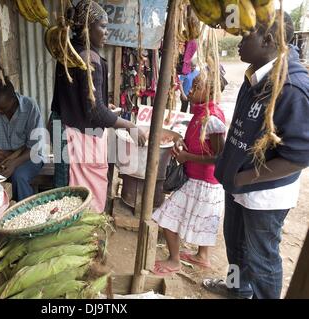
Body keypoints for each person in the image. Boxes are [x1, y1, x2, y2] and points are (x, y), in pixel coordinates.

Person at [203, 12, 309, 299]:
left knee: (261, 259)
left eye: (247, 35)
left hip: (263, 195)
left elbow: (299, 156)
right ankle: (237, 289)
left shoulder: (291, 87)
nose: (240, 40)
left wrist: (245, 176)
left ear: (270, 40)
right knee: (235, 248)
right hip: (239, 185)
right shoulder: (255, 75)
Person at [49, 0, 148, 212]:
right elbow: (94, 111)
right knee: (76, 194)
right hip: (74, 135)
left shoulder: (70, 52)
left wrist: (103, 103)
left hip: (62, 125)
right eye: (102, 26)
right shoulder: (90, 60)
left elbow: (80, 97)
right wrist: (130, 126)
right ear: (86, 28)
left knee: (63, 187)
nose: (106, 32)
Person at [151, 70, 227, 275]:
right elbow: (201, 144)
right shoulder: (200, 113)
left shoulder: (212, 119)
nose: (190, 91)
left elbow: (220, 157)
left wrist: (187, 157)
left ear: (210, 91)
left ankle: (174, 260)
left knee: (167, 216)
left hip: (205, 182)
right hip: (198, 178)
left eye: (196, 87)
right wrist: (183, 144)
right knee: (205, 222)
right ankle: (203, 256)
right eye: (191, 87)